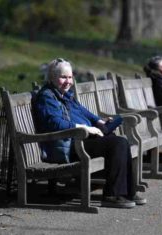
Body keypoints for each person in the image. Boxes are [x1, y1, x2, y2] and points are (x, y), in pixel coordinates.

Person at [32, 58, 146, 209]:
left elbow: (82, 111)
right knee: (118, 143)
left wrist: (98, 122)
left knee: (118, 140)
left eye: (70, 77)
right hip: (69, 146)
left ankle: (128, 193)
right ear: (52, 78)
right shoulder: (46, 97)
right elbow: (55, 123)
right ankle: (112, 195)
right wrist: (85, 128)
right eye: (63, 77)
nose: (68, 81)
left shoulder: (64, 95)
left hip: (80, 139)